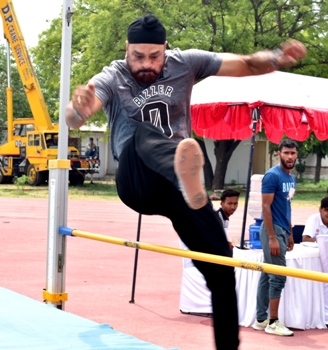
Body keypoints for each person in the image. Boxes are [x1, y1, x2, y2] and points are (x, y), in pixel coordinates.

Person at [65, 13, 307, 350]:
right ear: (127, 50)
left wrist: (279, 58)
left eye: (154, 56)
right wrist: (78, 108)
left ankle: (227, 347)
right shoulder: (113, 75)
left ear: (166, 48)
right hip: (137, 181)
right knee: (142, 135)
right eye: (138, 56)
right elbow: (76, 117)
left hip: (180, 189)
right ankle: (181, 164)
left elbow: (246, 64)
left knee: (221, 267)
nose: (145, 64)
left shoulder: (186, 63)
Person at [252, 139, 296, 336]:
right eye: (286, 153)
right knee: (278, 276)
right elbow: (265, 207)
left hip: (282, 230)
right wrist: (272, 237)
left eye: (293, 153)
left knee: (266, 274)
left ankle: (261, 319)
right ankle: (273, 321)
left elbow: (287, 206)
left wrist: (290, 233)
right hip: (272, 230)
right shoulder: (272, 176)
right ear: (279, 153)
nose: (289, 157)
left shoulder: (290, 177)